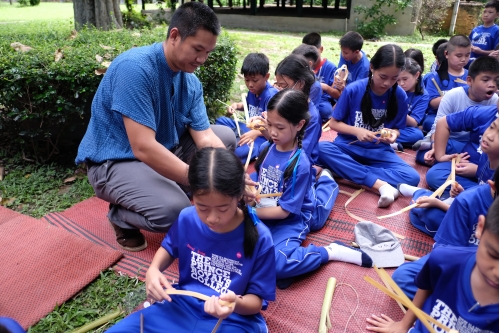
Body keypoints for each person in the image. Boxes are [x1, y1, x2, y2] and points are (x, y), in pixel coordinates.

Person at [75, 2, 238, 252]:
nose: (203, 59)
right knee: (176, 212)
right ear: (175, 36)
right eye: (198, 49)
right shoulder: (136, 69)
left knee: (224, 139)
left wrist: (232, 178)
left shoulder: (190, 82)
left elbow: (205, 136)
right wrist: (204, 183)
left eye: (208, 52)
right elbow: (143, 148)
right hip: (116, 161)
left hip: (164, 149)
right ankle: (120, 216)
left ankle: (170, 187)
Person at [106, 147, 277, 333]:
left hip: (231, 319)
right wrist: (153, 270)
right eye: (202, 208)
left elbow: (256, 302)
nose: (212, 218)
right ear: (192, 196)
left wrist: (234, 303)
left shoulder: (260, 237)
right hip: (181, 305)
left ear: (239, 196)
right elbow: (169, 248)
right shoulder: (187, 218)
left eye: (222, 208)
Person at [251, 89, 370, 289]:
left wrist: (251, 211)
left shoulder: (300, 164)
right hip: (265, 212)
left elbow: (285, 211)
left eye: (279, 127)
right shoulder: (268, 148)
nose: (272, 132)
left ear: (299, 125)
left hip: (289, 219)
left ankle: (330, 251)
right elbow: (261, 181)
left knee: (278, 263)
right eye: (269, 124)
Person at [366, 196, 499, 333]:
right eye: (494, 255)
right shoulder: (444, 258)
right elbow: (425, 285)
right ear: (480, 228)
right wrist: (404, 325)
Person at [318, 44, 420, 208]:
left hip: (378, 151)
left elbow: (397, 129)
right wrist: (356, 131)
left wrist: (393, 134)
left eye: (394, 78)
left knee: (412, 177)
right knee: (321, 148)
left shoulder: (399, 95)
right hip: (348, 147)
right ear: (372, 68)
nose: (388, 83)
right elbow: (334, 123)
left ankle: (346, 171)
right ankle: (380, 184)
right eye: (383, 76)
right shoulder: (354, 90)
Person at [393, 168, 498, 299]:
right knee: (403, 278)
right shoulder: (469, 200)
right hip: (464, 269)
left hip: (491, 281)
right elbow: (446, 259)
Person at [416, 56, 498, 167]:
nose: (492, 84)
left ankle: (459, 165)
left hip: (476, 146)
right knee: (424, 155)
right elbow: (438, 126)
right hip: (450, 140)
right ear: (469, 80)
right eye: (485, 80)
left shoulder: (496, 103)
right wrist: (436, 147)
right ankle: (454, 162)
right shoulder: (453, 95)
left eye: (496, 80)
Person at [216, 53, 278, 164]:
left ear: (267, 77)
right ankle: (236, 139)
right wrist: (237, 106)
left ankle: (235, 146)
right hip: (248, 127)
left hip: (262, 137)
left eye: (254, 80)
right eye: (246, 80)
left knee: (239, 153)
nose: (250, 84)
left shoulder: (271, 96)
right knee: (220, 121)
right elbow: (248, 105)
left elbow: (275, 127)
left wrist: (256, 133)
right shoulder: (253, 90)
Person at [427, 102, 499, 191]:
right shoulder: (485, 112)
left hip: (490, 184)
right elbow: (443, 122)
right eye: (491, 127)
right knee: (434, 172)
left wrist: (477, 170)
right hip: (466, 161)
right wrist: (440, 156)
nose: (489, 136)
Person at [272, 54, 322, 164]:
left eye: (284, 86)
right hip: (280, 154)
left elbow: (302, 155)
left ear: (300, 83)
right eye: (278, 85)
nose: (280, 91)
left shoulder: (312, 117)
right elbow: (273, 139)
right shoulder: (286, 106)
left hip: (297, 165)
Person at [418, 35, 471, 136]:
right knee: (429, 123)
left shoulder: (471, 76)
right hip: (439, 115)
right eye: (459, 56)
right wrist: (455, 96)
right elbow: (432, 103)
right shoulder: (435, 77)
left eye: (467, 55)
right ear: (447, 54)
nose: (463, 59)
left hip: (464, 116)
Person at [302, 32, 343, 121]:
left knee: (326, 110)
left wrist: (325, 87)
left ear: (321, 49)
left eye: (313, 53)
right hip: (303, 98)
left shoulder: (330, 67)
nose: (310, 57)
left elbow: (337, 94)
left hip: (322, 101)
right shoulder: (301, 64)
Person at [395, 57, 428, 148]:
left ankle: (384, 138)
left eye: (405, 79)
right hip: (386, 123)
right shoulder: (392, 87)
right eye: (397, 80)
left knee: (417, 135)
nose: (401, 83)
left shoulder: (423, 95)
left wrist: (396, 111)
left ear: (417, 75)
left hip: (404, 127)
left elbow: (414, 122)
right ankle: (389, 139)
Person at [291, 43, 323, 110]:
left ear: (309, 64)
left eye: (297, 63)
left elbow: (308, 111)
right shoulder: (293, 77)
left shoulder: (314, 86)